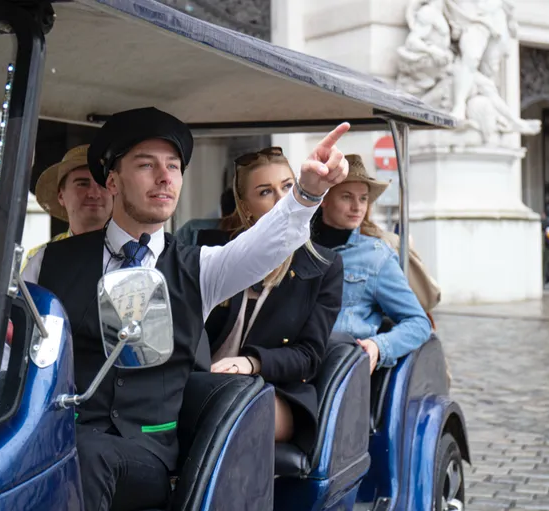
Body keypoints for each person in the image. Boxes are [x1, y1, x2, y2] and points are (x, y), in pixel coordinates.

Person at [21, 107, 351, 511]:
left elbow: (263, 247)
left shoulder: (202, 268)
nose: (165, 177)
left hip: (146, 454)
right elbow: (16, 353)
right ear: (112, 180)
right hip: (58, 435)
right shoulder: (48, 263)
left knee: (86, 455)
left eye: (174, 167)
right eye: (147, 165)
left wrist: (307, 194)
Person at [198, 146, 342, 454]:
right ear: (245, 206)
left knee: (235, 415)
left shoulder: (323, 266)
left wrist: (251, 363)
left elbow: (309, 356)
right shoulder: (216, 255)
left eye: (288, 187)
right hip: (205, 381)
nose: (281, 199)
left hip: (276, 389)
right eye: (265, 192)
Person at [311, 155, 432, 374]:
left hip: (340, 368)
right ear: (324, 199)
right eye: (347, 197)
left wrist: (379, 346)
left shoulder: (376, 256)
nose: (357, 207)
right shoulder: (300, 247)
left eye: (363, 199)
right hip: (295, 360)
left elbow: (418, 322)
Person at [23, 144, 113, 269]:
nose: (94, 194)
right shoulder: (40, 258)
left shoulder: (132, 253)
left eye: (102, 185)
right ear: (61, 196)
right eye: (82, 184)